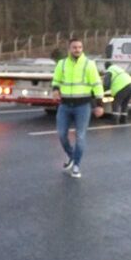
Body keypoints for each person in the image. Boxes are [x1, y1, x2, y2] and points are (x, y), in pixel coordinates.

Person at [52, 38, 105, 178]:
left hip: (82, 106)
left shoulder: (89, 64)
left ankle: (76, 166)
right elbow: (56, 80)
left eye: (80, 47)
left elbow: (96, 84)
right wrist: (55, 89)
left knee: (80, 137)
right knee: (62, 135)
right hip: (64, 105)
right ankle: (71, 156)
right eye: (74, 47)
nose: (77, 49)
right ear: (69, 48)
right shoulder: (62, 64)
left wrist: (99, 105)